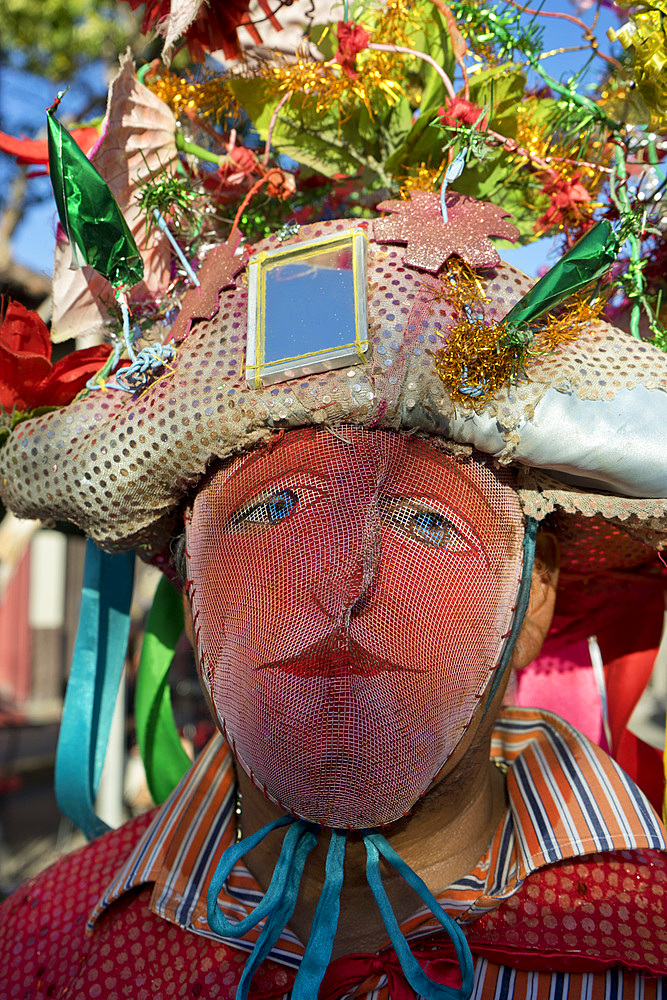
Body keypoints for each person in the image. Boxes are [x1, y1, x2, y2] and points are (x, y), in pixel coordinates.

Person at [0, 213, 666, 998]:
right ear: (190, 583)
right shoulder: (42, 950)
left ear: (533, 598)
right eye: (276, 511)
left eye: (424, 521)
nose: (344, 581)